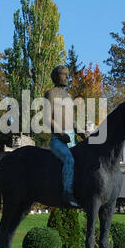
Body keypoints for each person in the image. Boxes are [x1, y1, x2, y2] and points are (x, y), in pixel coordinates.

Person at [44, 65, 80, 208]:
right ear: (55, 76)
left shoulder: (69, 96)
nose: (66, 77)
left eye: (67, 74)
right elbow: (47, 119)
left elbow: (72, 121)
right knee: (69, 160)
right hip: (58, 139)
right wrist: (61, 133)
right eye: (63, 74)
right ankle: (67, 192)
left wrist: (82, 132)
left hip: (72, 138)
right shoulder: (51, 94)